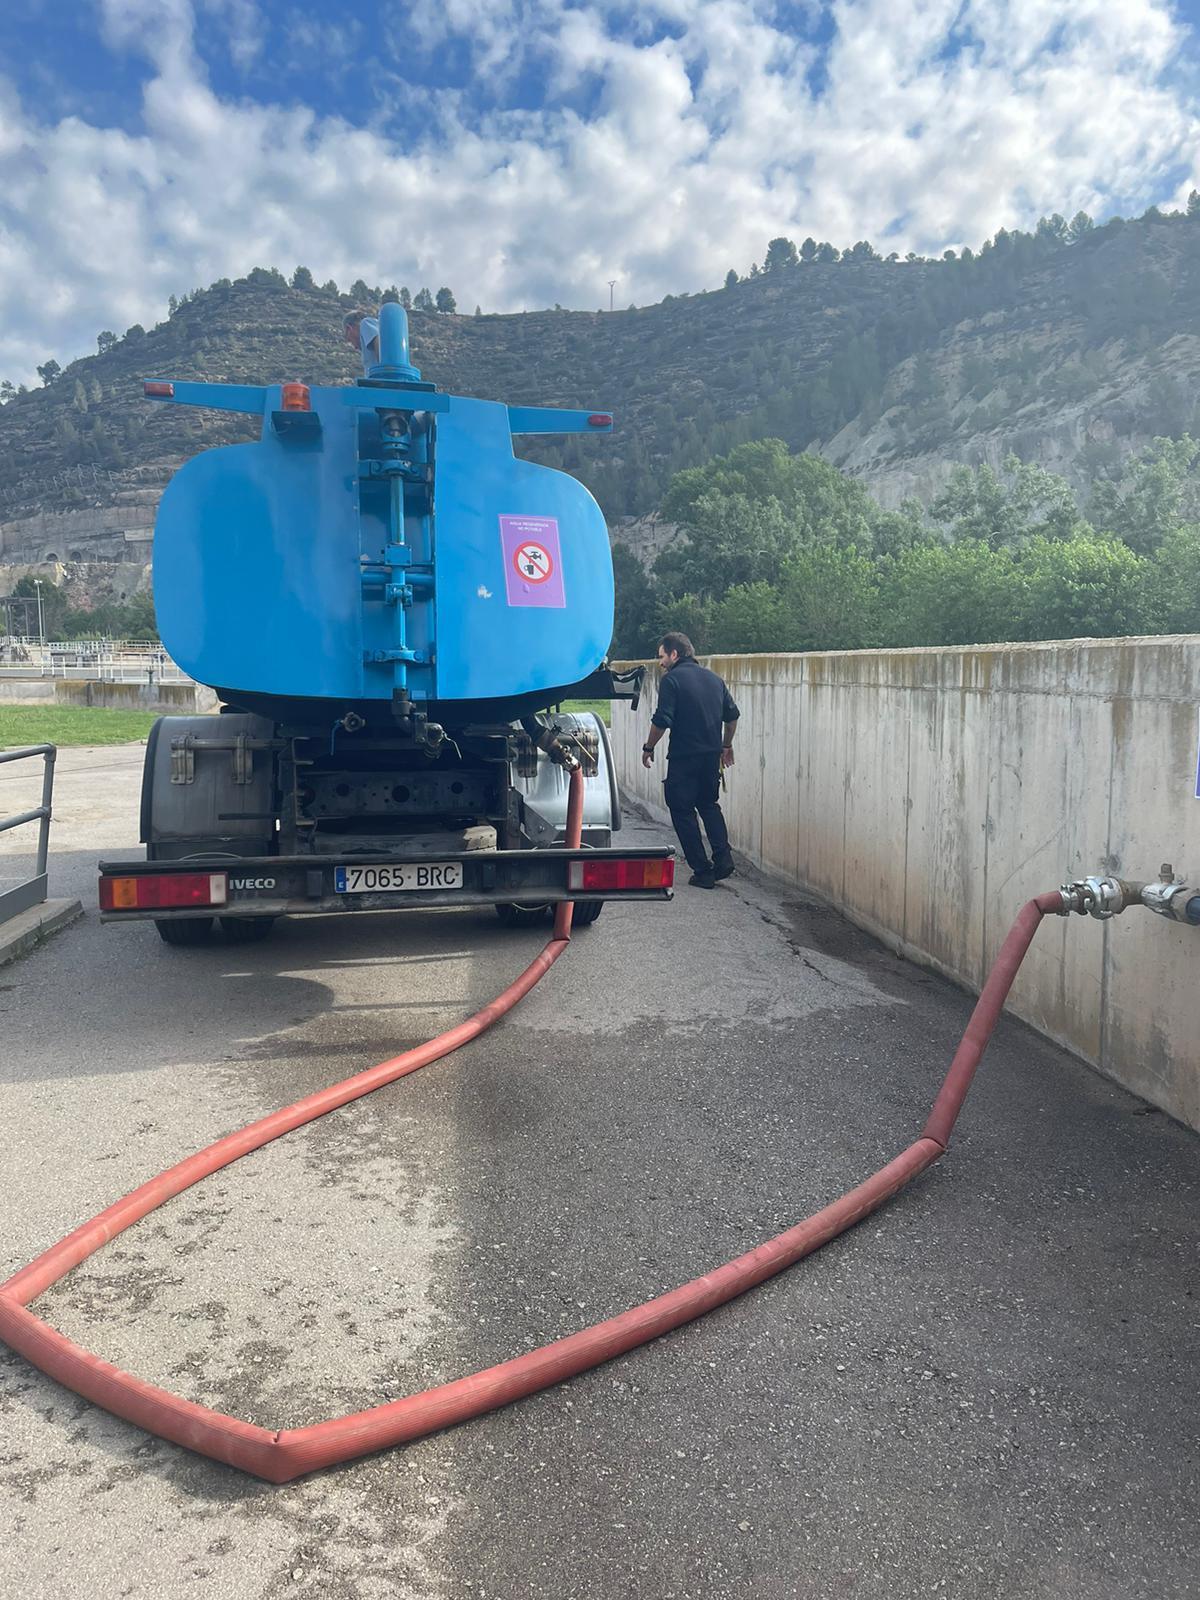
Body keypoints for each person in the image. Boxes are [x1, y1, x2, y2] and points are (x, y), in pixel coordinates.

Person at [641, 632, 739, 889]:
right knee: (708, 804)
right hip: (710, 757)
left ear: (675, 654)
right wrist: (726, 745)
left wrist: (648, 747)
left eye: (662, 656)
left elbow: (662, 719)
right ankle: (723, 859)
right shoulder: (714, 679)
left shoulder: (671, 680)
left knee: (682, 810)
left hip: (684, 758)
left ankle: (703, 871)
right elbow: (732, 717)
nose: (660, 662)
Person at [343, 309, 380, 375]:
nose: (355, 347)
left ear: (349, 328)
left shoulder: (365, 323)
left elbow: (378, 342)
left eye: (350, 340)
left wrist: (384, 369)